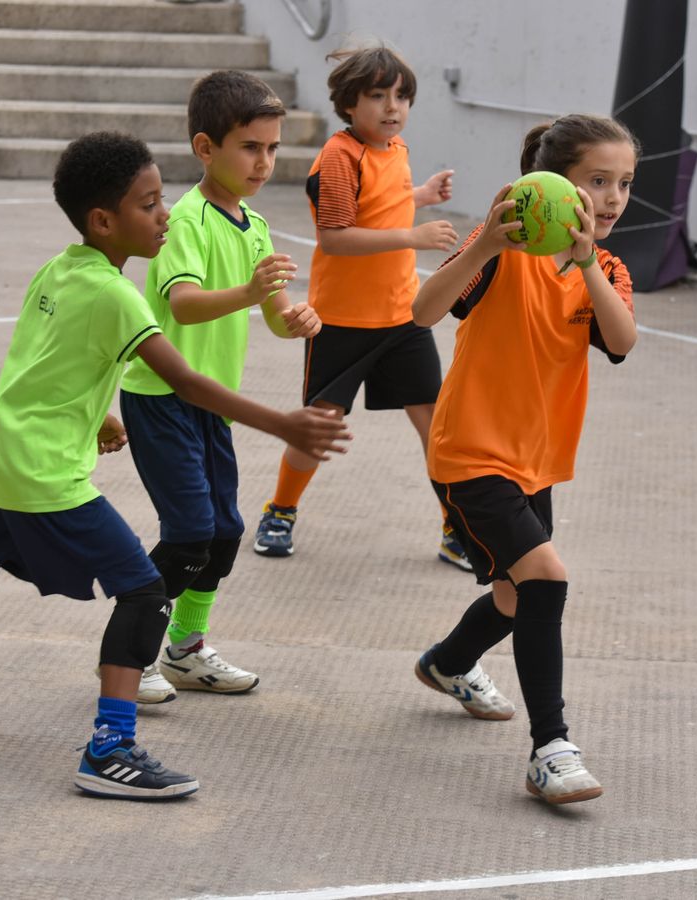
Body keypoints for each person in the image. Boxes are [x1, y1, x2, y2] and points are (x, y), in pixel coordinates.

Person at [0, 132, 350, 800]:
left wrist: (96, 412)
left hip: (8, 458)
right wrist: (282, 421)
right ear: (104, 221)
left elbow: (42, 357)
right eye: (149, 204)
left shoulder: (61, 269)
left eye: (163, 199)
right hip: (47, 475)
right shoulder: (119, 298)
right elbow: (186, 383)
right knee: (141, 589)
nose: (164, 214)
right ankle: (109, 747)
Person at [410, 115, 638, 805]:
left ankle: (448, 664)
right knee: (544, 578)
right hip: (470, 451)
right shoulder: (502, 257)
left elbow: (622, 341)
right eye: (597, 181)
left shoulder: (608, 269)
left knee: (514, 597)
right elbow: (423, 311)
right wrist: (481, 242)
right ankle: (551, 748)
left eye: (624, 183)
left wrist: (589, 264)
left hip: (535, 461)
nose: (612, 197)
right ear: (551, 186)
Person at [115, 70, 318, 699]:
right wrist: (252, 292)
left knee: (224, 532)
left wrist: (297, 320)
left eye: (273, 148)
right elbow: (185, 304)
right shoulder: (186, 221)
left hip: (211, 406)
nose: (264, 162)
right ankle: (132, 653)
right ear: (207, 149)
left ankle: (186, 649)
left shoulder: (254, 228)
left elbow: (274, 316)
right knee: (188, 534)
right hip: (162, 398)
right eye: (250, 147)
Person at [248, 46, 472, 571]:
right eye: (377, 96)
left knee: (435, 423)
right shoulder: (338, 156)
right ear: (349, 104)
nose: (392, 107)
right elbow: (337, 236)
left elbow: (380, 203)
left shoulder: (395, 149)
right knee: (320, 422)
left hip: (403, 317)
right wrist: (413, 235)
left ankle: (454, 526)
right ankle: (280, 509)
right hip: (343, 322)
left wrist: (420, 195)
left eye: (402, 96)